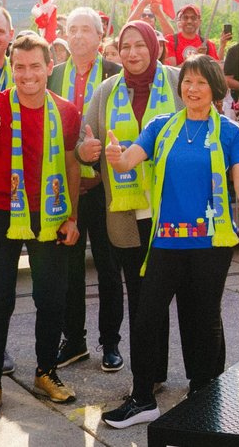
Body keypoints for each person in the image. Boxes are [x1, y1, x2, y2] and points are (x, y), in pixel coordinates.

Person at [100, 54, 239, 429]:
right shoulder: (161, 127)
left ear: (215, 89)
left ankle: (204, 394)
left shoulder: (229, 132)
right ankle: (142, 398)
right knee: (147, 318)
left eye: (201, 82)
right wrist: (115, 157)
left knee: (202, 321)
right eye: (187, 81)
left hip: (211, 244)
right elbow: (127, 163)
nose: (192, 88)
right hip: (166, 244)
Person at [0, 34, 82, 423]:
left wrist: (73, 217)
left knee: (51, 297)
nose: (27, 74)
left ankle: (46, 371)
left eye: (35, 66)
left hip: (49, 212)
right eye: (20, 67)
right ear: (11, 69)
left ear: (50, 67)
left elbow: (72, 165)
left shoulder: (66, 111)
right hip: (0, 212)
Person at [76, 21, 180, 397]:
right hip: (126, 212)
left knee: (175, 296)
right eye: (126, 47)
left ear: (154, 46)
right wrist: (85, 152)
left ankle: (181, 374)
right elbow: (84, 142)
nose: (133, 53)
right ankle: (147, 375)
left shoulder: (178, 81)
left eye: (140, 45)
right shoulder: (107, 91)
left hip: (174, 211)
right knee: (139, 296)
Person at [49, 7, 125, 374]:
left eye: (86, 30)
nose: (78, 36)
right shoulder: (54, 73)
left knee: (109, 267)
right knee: (69, 267)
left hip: (106, 186)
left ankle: (110, 342)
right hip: (66, 187)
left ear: (100, 37)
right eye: (72, 29)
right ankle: (73, 340)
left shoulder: (115, 74)